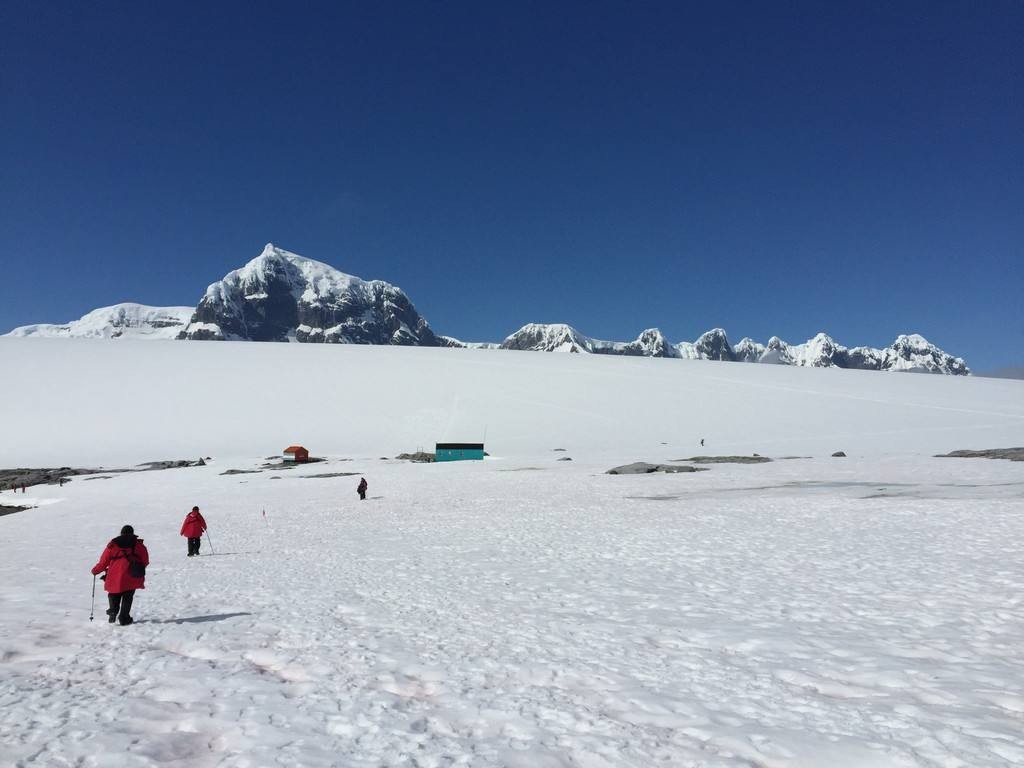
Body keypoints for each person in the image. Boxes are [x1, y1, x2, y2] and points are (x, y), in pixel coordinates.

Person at [91, 524, 148, 625]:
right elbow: (145, 561)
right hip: (132, 575)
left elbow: (104, 562)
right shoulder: (139, 545)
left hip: (115, 574)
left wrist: (96, 570)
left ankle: (113, 610)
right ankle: (124, 617)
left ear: (121, 533)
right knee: (128, 596)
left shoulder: (113, 545)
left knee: (114, 593)